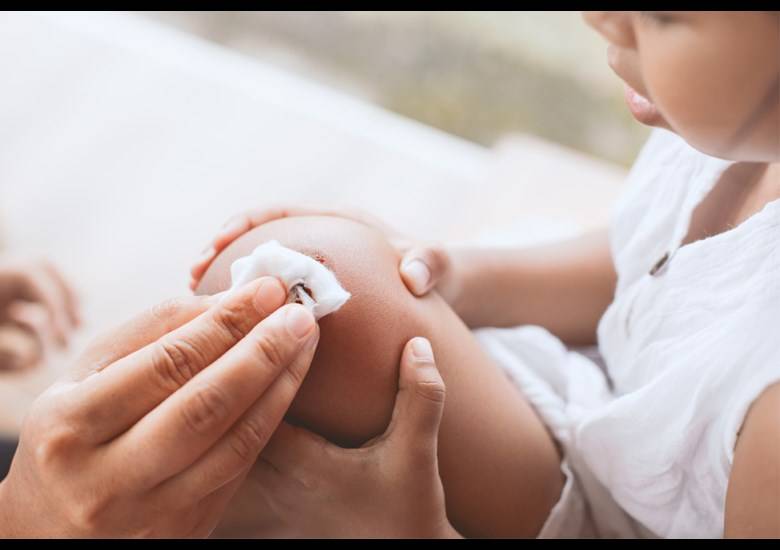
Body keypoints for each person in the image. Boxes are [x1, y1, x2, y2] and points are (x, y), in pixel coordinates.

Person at [191, 11, 780, 538]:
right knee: (268, 330)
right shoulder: (739, 133)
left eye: (662, 16)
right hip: (604, 406)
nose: (599, 17)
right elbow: (653, 266)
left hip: (626, 517)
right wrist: (468, 279)